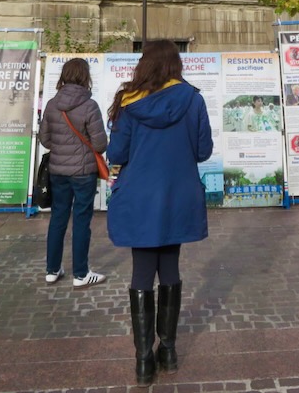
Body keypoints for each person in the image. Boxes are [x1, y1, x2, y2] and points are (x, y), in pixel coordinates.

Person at [106, 40, 213, 385]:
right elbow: (203, 150)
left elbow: (117, 152)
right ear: (175, 64)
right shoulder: (193, 99)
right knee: (170, 267)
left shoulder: (128, 103)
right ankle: (167, 350)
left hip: (140, 195)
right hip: (178, 195)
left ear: (145, 65)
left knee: (141, 272)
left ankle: (143, 361)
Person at [38, 58, 108, 289]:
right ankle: (81, 273)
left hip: (58, 170)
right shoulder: (90, 105)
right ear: (85, 77)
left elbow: (45, 140)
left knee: (58, 218)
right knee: (81, 220)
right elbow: (100, 144)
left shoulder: (51, 104)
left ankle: (52, 269)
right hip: (83, 172)